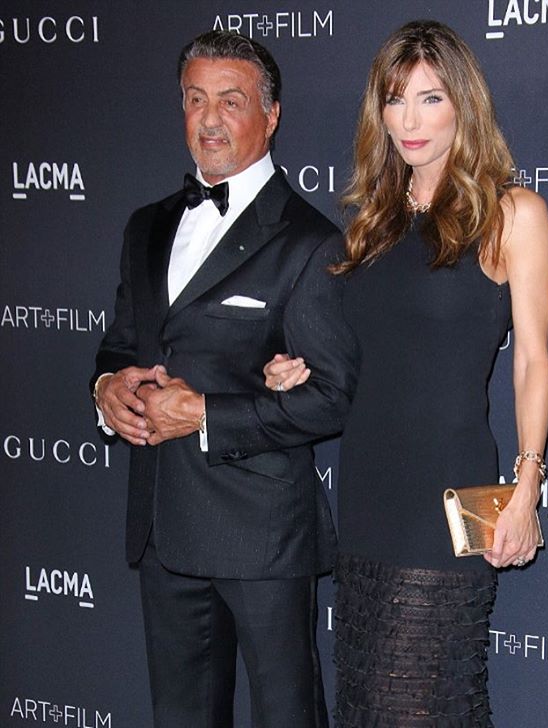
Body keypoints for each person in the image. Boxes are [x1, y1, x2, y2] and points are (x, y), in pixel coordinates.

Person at [264, 20, 548, 727]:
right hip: (368, 493)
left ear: (463, 104)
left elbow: (531, 361)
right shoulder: (374, 223)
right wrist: (299, 370)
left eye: (430, 99)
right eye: (395, 101)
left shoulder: (512, 214)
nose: (409, 121)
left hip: (445, 496)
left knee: (420, 705)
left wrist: (527, 485)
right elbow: (369, 355)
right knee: (369, 706)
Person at [91, 30, 358, 728]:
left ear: (270, 116)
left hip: (261, 533)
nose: (209, 119)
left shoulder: (309, 241)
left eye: (230, 101)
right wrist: (106, 389)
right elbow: (119, 345)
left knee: (286, 716)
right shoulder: (146, 227)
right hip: (162, 526)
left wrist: (206, 413)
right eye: (195, 99)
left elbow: (332, 398)